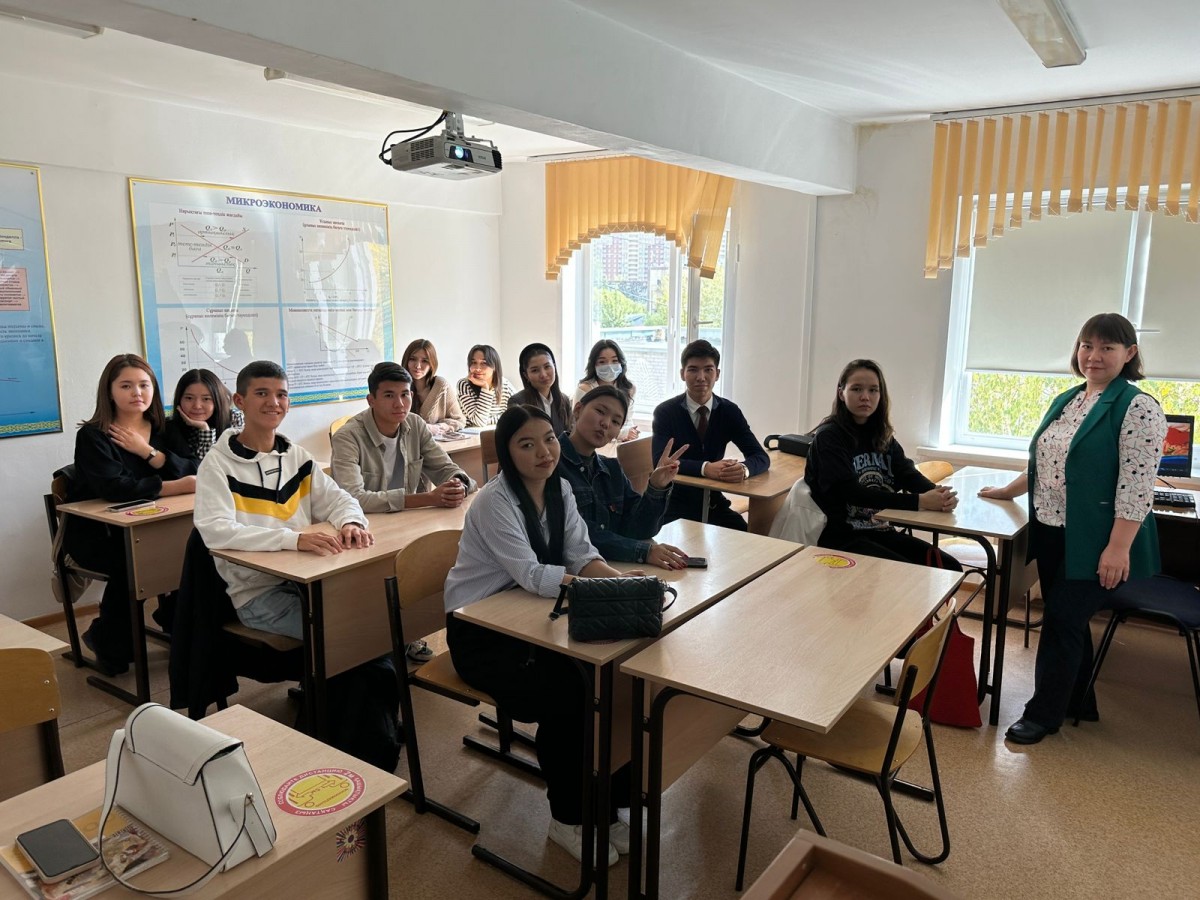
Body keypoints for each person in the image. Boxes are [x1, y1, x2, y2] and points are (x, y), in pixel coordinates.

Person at [443, 405, 636, 866]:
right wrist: (598, 592)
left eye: (549, 439)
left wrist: (623, 587)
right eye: (526, 444)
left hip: (532, 618)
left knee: (611, 679)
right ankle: (567, 819)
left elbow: (580, 554)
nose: (544, 452)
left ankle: (606, 806)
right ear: (507, 453)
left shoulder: (560, 488)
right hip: (480, 632)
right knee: (571, 692)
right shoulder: (494, 501)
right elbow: (530, 573)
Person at [978, 314, 1166, 746]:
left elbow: (1137, 488)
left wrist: (1117, 548)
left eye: (1107, 348)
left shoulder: (1138, 408)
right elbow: (1046, 461)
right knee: (1070, 621)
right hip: (1051, 529)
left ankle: (1042, 715)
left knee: (1062, 620)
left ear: (1129, 354)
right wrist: (1008, 491)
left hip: (1097, 539)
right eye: (1086, 345)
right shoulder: (1070, 399)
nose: (1093, 356)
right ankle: (1080, 701)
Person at [195, 361, 372, 640]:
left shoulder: (297, 457)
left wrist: (351, 522)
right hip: (258, 594)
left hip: (307, 576)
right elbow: (217, 532)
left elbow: (339, 500)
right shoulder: (217, 464)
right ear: (239, 401)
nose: (273, 402)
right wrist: (293, 540)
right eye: (262, 393)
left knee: (372, 611)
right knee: (346, 631)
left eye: (281, 395)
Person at [332, 361, 476, 663]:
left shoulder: (415, 425)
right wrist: (426, 499)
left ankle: (407, 634)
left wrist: (459, 484)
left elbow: (445, 467)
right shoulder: (349, 436)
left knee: (435, 562)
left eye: (405, 394)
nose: (399, 403)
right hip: (366, 528)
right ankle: (372, 649)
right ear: (371, 399)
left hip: (407, 523)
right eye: (389, 395)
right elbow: (352, 497)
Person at [66, 353, 198, 675]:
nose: (137, 392)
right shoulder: (93, 435)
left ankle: (175, 622)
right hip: (98, 534)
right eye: (126, 386)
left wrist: (148, 452)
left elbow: (194, 469)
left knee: (193, 551)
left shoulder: (165, 429)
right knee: (134, 563)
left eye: (144, 385)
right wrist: (171, 486)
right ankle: (107, 639)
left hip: (152, 525)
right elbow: (114, 487)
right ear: (109, 391)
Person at [804, 359, 963, 568]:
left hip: (879, 530)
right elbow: (853, 493)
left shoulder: (881, 435)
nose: (865, 397)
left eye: (873, 390)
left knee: (950, 568)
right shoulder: (829, 437)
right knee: (912, 575)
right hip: (842, 537)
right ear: (841, 393)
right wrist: (920, 501)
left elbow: (907, 474)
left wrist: (939, 495)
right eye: (857, 389)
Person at [558, 385, 689, 568]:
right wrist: (643, 552)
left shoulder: (611, 469)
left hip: (614, 568)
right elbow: (579, 536)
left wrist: (656, 487)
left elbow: (640, 529)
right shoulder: (550, 465)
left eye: (616, 421)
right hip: (570, 573)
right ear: (578, 409)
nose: (606, 424)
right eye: (600, 411)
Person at [651, 339, 769, 531]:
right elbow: (659, 462)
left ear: (717, 374)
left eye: (708, 369)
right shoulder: (666, 412)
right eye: (693, 370)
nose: (701, 377)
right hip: (673, 503)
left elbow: (760, 456)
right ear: (682, 374)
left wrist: (743, 469)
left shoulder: (729, 411)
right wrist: (706, 468)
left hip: (713, 502)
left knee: (750, 538)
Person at [165, 368, 242, 461]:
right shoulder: (169, 428)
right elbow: (202, 468)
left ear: (217, 401)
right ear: (179, 399)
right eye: (189, 398)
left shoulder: (234, 419)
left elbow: (233, 464)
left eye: (206, 399)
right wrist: (204, 429)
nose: (197, 406)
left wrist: (205, 430)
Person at [575, 339, 639, 441]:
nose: (609, 366)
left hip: (621, 444)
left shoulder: (630, 388)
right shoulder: (585, 389)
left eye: (614, 361)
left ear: (621, 362)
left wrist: (630, 433)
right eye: (602, 362)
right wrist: (621, 434)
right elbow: (580, 424)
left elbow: (628, 421)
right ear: (594, 365)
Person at [508, 342, 575, 435]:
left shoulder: (564, 400)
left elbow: (570, 435)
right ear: (526, 375)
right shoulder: (517, 402)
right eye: (535, 370)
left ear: (554, 367)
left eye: (547, 367)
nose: (543, 374)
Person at [402, 338, 466, 435]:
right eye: (413, 359)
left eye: (424, 361)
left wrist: (442, 426)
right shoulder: (398, 387)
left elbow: (460, 420)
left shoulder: (441, 386)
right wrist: (426, 427)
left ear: (432, 363)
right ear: (406, 360)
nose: (418, 366)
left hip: (436, 443)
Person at [456, 344, 515, 427]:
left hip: (499, 430)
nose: (477, 369)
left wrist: (488, 420)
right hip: (472, 432)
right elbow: (479, 422)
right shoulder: (464, 384)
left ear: (494, 366)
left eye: (484, 363)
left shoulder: (505, 384)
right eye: (474, 362)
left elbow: (517, 414)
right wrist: (485, 388)